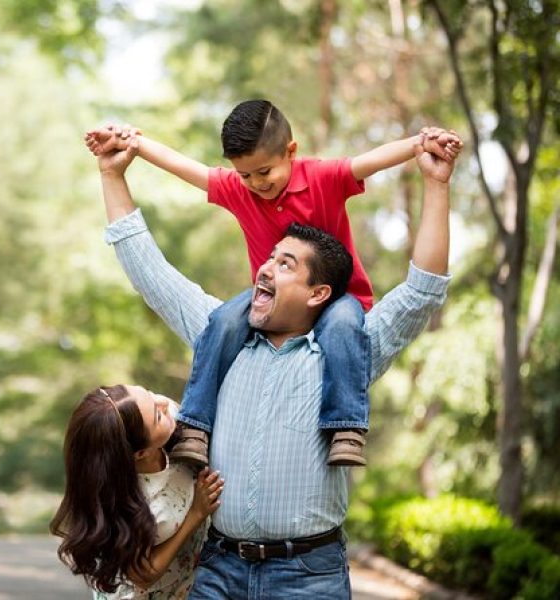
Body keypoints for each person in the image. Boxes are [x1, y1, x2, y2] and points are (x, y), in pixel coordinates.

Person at [95, 130, 455, 598]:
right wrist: (112, 174)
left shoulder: (348, 354)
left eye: (286, 265)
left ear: (317, 294)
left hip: (309, 578)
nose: (265, 269)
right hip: (220, 570)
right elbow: (149, 270)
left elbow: (421, 291)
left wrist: (437, 184)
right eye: (270, 258)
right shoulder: (219, 337)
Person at [86, 100, 461, 469]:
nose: (255, 184)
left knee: (344, 327)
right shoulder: (240, 189)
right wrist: (133, 143)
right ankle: (196, 425)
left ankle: (346, 425)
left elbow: (372, 161)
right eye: (246, 175)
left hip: (343, 299)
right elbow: (188, 169)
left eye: (264, 172)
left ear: (290, 151)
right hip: (260, 303)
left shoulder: (321, 178)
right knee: (222, 321)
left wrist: (419, 145)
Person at [50, 384, 225, 599]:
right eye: (156, 416)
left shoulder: (168, 419)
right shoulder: (123, 501)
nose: (163, 403)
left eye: (150, 394)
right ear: (140, 453)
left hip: (186, 586)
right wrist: (196, 514)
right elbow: (143, 574)